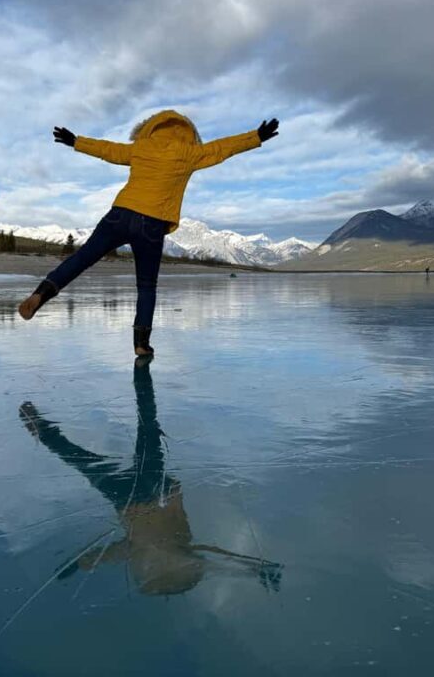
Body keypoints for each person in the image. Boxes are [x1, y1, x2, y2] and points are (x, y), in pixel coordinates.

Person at [18, 109, 280, 355]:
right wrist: (256, 137)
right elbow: (224, 148)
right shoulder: (190, 153)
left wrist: (76, 141)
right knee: (146, 286)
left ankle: (41, 294)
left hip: (120, 214)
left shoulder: (141, 147)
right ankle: (141, 344)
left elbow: (108, 150)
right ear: (189, 133)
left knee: (81, 258)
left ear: (151, 128)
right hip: (152, 224)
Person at [19, 361, 283, 596]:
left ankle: (44, 429)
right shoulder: (182, 554)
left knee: (88, 456)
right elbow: (217, 561)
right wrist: (254, 569)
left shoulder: (139, 553)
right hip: (154, 491)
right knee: (135, 436)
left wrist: (77, 565)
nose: (152, 568)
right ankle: (140, 381)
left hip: (129, 498)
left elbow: (107, 556)